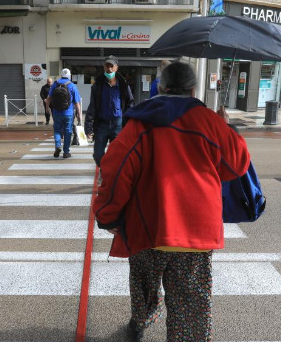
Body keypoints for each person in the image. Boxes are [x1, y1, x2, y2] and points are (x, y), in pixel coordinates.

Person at [93, 62, 250, 342]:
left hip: (148, 226)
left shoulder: (140, 123)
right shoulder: (210, 121)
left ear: (161, 87)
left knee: (144, 285)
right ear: (193, 90)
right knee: (190, 301)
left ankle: (140, 322)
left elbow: (116, 170)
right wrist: (227, 127)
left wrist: (108, 215)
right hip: (195, 230)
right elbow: (236, 166)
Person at [84, 55, 134, 167]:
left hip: (118, 125)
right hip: (101, 125)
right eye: (107, 66)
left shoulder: (124, 86)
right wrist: (88, 126)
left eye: (111, 66)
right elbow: (92, 106)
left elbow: (130, 104)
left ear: (116, 68)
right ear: (104, 67)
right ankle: (104, 168)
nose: (109, 69)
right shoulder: (97, 85)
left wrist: (129, 123)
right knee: (98, 154)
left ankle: (110, 172)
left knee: (117, 154)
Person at [45, 68, 82, 158]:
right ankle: (66, 152)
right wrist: (79, 115)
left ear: (61, 75)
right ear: (69, 76)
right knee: (68, 132)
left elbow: (49, 98)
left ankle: (58, 146)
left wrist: (47, 108)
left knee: (57, 130)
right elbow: (77, 103)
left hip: (56, 112)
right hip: (68, 113)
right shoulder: (72, 85)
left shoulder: (55, 84)